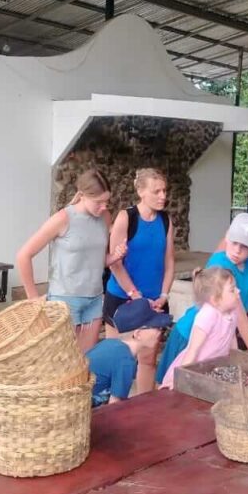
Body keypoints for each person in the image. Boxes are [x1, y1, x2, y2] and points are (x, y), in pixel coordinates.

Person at [16, 169, 124, 352]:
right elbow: (23, 255)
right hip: (65, 300)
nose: (104, 206)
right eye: (99, 202)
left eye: (107, 201)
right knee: (63, 362)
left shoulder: (104, 217)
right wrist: (33, 299)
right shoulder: (62, 219)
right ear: (82, 195)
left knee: (85, 361)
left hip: (95, 299)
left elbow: (94, 260)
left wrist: (113, 257)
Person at [106, 168, 175, 392]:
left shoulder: (166, 221)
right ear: (141, 192)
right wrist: (135, 296)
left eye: (164, 190)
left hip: (155, 302)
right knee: (118, 360)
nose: (163, 196)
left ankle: (144, 408)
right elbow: (115, 263)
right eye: (157, 191)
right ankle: (112, 410)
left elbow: (170, 262)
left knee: (148, 359)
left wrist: (164, 294)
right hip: (122, 298)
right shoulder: (126, 217)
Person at [161, 267, 241, 389]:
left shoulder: (233, 311)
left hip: (215, 369)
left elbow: (231, 336)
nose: (238, 291)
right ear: (215, 299)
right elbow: (193, 350)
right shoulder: (208, 315)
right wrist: (179, 379)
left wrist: (236, 363)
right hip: (194, 369)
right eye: (232, 290)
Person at [207, 212, 248, 349]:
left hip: (226, 334)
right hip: (204, 335)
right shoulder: (219, 264)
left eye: (244, 246)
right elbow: (239, 314)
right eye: (234, 242)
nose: (237, 250)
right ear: (227, 237)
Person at [88, 298, 172, 406]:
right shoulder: (125, 361)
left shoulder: (110, 344)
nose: (159, 332)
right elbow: (114, 406)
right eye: (156, 327)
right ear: (138, 334)